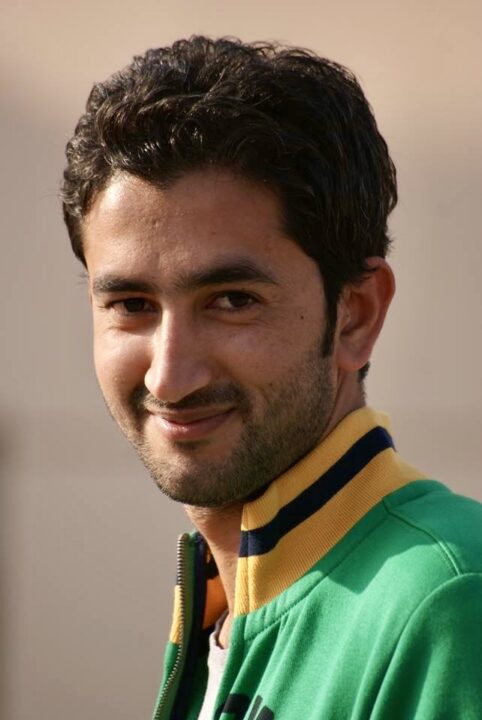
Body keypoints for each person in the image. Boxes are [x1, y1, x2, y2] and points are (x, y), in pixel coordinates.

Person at [61, 36, 482, 720]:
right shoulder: (222, 620)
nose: (170, 376)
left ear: (356, 314)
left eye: (231, 300)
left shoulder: (452, 604)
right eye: (132, 305)